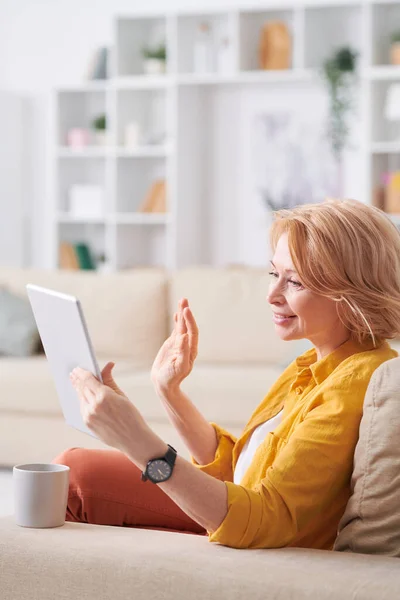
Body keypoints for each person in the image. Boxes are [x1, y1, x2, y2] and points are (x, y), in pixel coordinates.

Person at [52, 198, 400, 550]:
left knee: (73, 479)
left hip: (252, 537)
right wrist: (169, 392)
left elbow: (265, 517)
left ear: (352, 293)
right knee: (71, 471)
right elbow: (239, 471)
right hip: (237, 512)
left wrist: (137, 441)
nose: (271, 295)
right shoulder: (315, 364)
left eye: (294, 282)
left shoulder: (353, 385)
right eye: (273, 274)